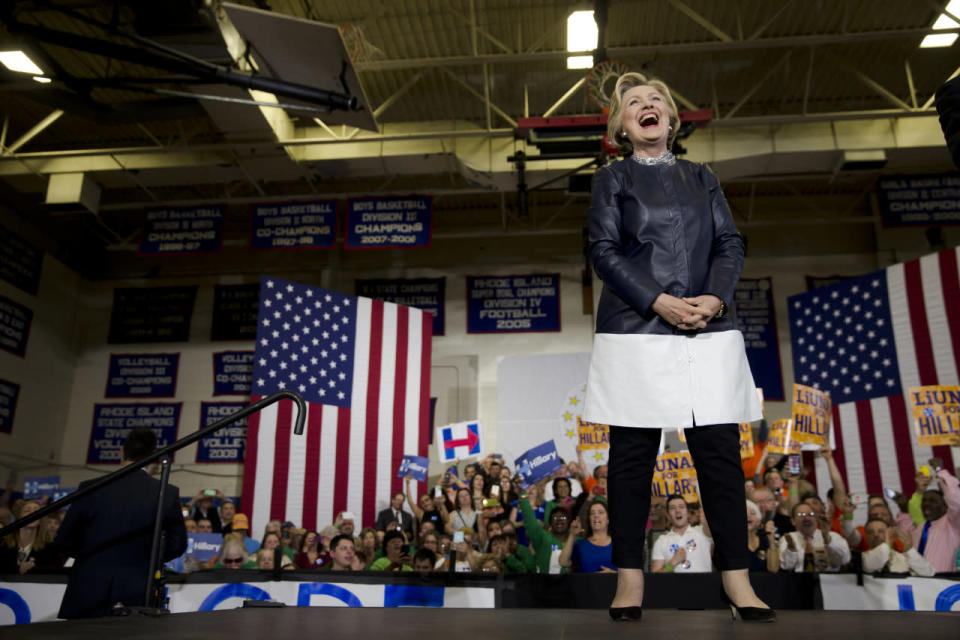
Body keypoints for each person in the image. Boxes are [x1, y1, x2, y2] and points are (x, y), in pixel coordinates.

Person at [580, 70, 772, 623]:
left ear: (670, 117)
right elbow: (603, 250)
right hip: (637, 327)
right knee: (632, 459)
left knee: (718, 455)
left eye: (656, 99)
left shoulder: (702, 176)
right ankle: (629, 581)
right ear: (622, 125)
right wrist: (656, 300)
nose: (647, 105)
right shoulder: (612, 179)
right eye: (634, 102)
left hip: (707, 328)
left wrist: (714, 297)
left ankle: (737, 580)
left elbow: (730, 241)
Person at [54, 428, 187, 618]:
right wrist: (146, 559)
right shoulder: (166, 492)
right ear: (154, 458)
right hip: (136, 589)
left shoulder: (90, 488)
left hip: (87, 588)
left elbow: (64, 540)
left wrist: (91, 557)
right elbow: (177, 544)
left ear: (121, 451)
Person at [894, 459, 960, 573]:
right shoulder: (921, 528)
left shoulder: (953, 524)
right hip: (917, 583)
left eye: (933, 501)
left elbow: (955, 499)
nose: (927, 504)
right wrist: (904, 509)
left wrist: (940, 471)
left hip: (942, 585)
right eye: (924, 501)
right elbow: (903, 534)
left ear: (945, 506)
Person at [778, 502, 850, 572]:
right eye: (801, 515)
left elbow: (844, 560)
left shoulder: (832, 536)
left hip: (828, 580)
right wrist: (791, 550)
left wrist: (827, 539)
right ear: (793, 521)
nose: (806, 518)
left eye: (810, 514)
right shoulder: (787, 539)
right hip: (798, 581)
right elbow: (785, 566)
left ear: (816, 519)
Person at [651, 495, 713, 573]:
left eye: (681, 507)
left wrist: (696, 486)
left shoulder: (702, 533)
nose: (677, 510)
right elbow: (655, 578)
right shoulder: (661, 541)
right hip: (674, 585)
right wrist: (672, 564)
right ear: (668, 516)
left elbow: (711, 515)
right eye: (673, 508)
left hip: (704, 584)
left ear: (688, 513)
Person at [0, 500, 61, 574]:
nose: (32, 513)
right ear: (19, 516)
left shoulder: (49, 548)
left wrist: (34, 570)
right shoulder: (3, 542)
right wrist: (17, 570)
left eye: (36, 511)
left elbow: (53, 574)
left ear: (41, 520)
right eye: (27, 510)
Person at [861, 518, 934, 576]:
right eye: (870, 532)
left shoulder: (904, 559)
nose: (876, 535)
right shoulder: (861, 559)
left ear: (890, 534)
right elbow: (870, 564)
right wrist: (887, 545)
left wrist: (909, 551)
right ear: (866, 537)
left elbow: (929, 573)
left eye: (881, 531)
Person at [560, 499, 614, 573]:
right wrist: (572, 535)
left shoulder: (619, 544)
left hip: (613, 584)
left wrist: (614, 574)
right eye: (592, 513)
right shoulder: (580, 544)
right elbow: (563, 563)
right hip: (586, 584)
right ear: (589, 519)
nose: (596, 515)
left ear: (608, 519)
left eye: (601, 512)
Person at [745, 499, 779, 572]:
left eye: (752, 513)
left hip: (765, 582)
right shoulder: (732, 543)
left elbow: (773, 570)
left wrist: (771, 540)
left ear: (758, 520)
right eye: (744, 513)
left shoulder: (765, 541)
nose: (748, 516)